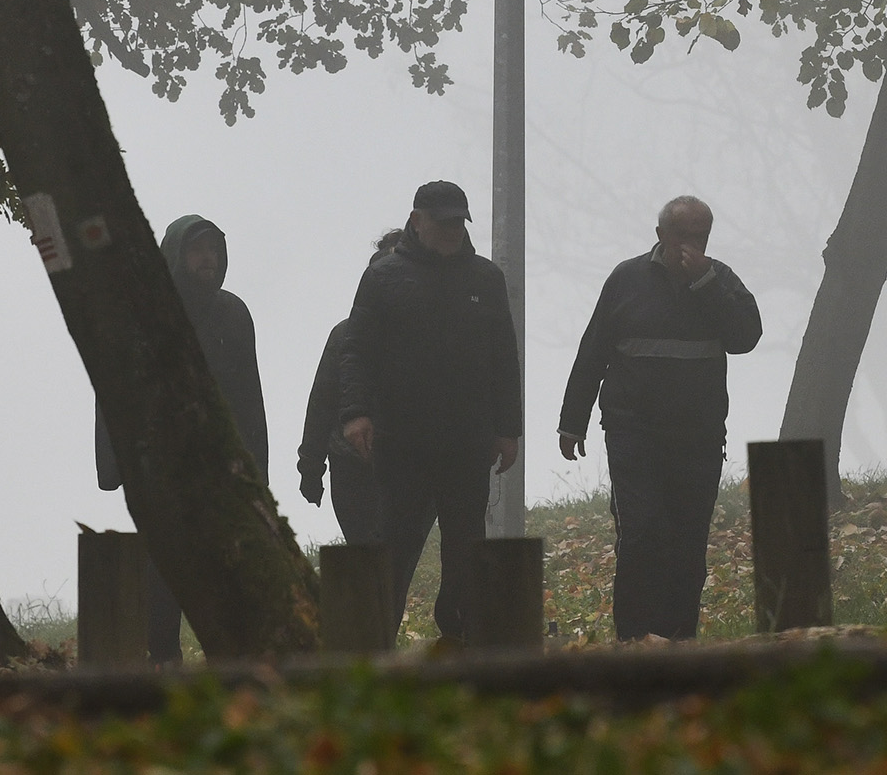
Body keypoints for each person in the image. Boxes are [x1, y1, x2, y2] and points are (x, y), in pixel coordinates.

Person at [558, 195, 762, 640]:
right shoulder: (627, 280)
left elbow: (746, 337)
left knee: (688, 543)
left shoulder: (721, 281)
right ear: (660, 236)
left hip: (699, 437)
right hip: (634, 433)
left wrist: (706, 283)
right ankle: (633, 638)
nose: (690, 246)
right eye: (682, 236)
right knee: (643, 532)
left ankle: (678, 640)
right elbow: (593, 350)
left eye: (700, 238)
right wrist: (572, 420)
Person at [339, 181, 523, 642]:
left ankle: (458, 631)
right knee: (394, 546)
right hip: (402, 442)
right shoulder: (383, 277)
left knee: (466, 547)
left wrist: (508, 429)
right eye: (442, 222)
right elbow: (356, 351)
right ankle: (374, 639)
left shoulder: (486, 278)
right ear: (417, 221)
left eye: (458, 222)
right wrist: (356, 413)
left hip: (467, 441)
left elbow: (504, 355)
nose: (451, 231)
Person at [93, 214, 265, 664]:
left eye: (213, 250)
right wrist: (117, 465)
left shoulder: (233, 312)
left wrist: (256, 472)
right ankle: (162, 658)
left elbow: (250, 397)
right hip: (161, 467)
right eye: (197, 250)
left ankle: (229, 661)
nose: (207, 259)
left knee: (227, 567)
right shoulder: (145, 314)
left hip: (222, 468)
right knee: (163, 568)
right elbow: (115, 394)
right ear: (176, 255)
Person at [295, 229, 400, 544]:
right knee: (364, 553)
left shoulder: (431, 337)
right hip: (352, 465)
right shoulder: (346, 335)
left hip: (408, 464)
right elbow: (323, 401)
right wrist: (311, 467)